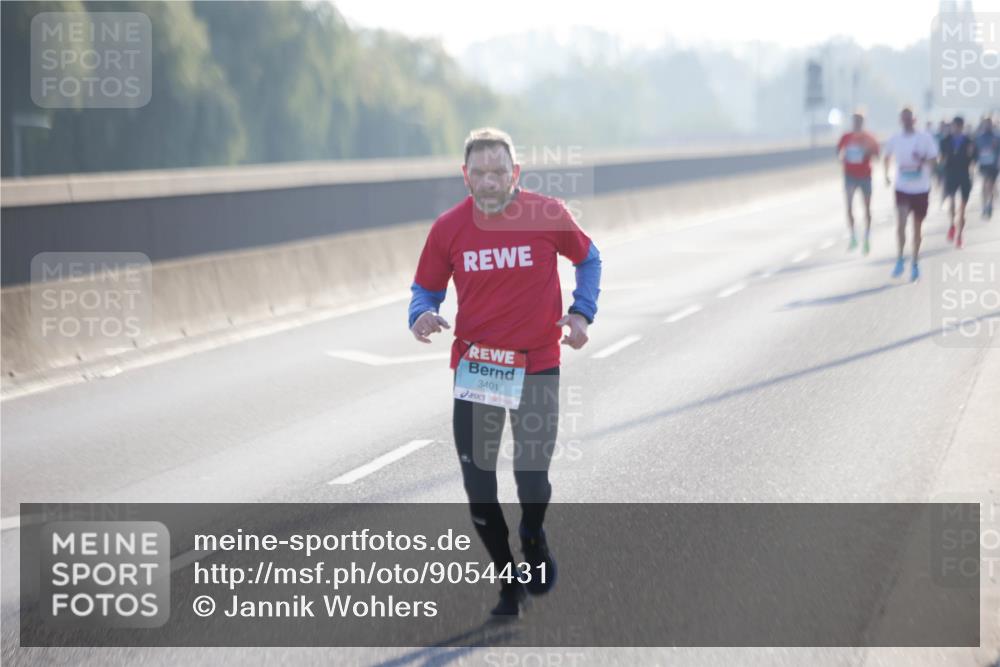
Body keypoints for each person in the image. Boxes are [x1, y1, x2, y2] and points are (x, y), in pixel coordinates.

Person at [408, 127, 602, 617]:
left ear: (515, 173)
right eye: (480, 173)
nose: (490, 181)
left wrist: (582, 312)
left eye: (499, 172)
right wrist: (422, 314)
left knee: (531, 480)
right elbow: (425, 288)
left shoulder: (546, 214)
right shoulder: (448, 228)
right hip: (479, 368)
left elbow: (589, 258)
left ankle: (532, 535)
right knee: (478, 488)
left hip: (536, 363)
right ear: (465, 176)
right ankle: (507, 581)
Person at [883, 107, 939, 281]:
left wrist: (922, 160)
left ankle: (915, 262)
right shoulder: (895, 138)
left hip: (921, 189)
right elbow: (886, 156)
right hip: (902, 188)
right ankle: (900, 258)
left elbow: (934, 160)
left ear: (915, 119)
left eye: (909, 118)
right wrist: (886, 175)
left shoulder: (925, 138)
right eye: (904, 118)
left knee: (917, 229)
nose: (907, 121)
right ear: (901, 120)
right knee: (900, 224)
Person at [836, 112, 880, 254]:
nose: (857, 123)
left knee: (867, 208)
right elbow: (839, 152)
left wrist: (868, 151)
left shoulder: (869, 137)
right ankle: (853, 236)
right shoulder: (846, 137)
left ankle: (866, 236)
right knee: (849, 207)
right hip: (849, 176)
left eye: (859, 121)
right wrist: (842, 157)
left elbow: (877, 155)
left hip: (865, 176)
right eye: (855, 120)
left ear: (863, 122)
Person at [939, 116, 977, 248]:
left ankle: (960, 235)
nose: (956, 128)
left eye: (958, 126)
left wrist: (971, 155)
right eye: (954, 126)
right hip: (951, 174)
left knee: (963, 209)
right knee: (952, 201)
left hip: (964, 174)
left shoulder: (969, 141)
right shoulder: (945, 140)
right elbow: (941, 158)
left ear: (962, 126)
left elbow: (974, 158)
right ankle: (952, 224)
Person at [976, 116, 999, 219]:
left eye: (989, 123)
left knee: (991, 185)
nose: (987, 125)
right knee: (985, 184)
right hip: (983, 164)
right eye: (986, 123)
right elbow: (976, 150)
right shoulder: (979, 137)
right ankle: (984, 206)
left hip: (994, 165)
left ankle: (990, 204)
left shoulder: (997, 136)